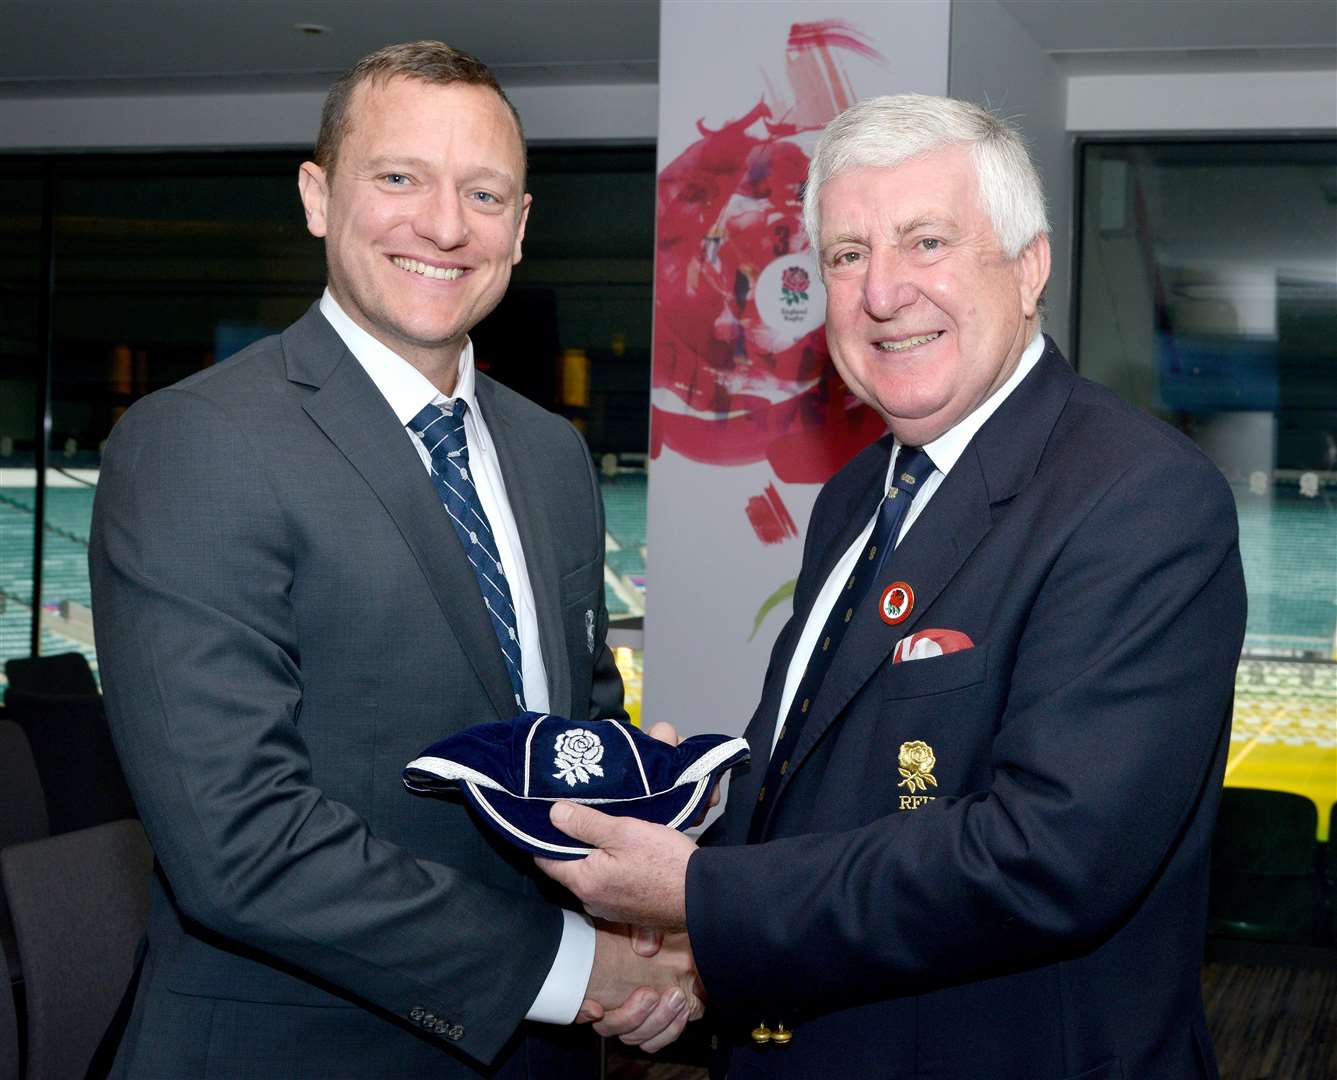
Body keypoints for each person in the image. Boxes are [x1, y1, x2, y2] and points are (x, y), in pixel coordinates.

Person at [540, 94, 1247, 1079]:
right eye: (844, 254)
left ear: (1028, 265)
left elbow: (1048, 858)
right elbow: (833, 775)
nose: (880, 292)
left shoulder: (1140, 498)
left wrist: (702, 896)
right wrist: (692, 810)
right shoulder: (851, 497)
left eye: (925, 242)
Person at [89, 40, 698, 1079]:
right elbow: (237, 845)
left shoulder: (551, 455)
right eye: (399, 178)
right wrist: (575, 967)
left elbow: (569, 727)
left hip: (537, 1049)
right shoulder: (194, 442)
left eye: (483, 192)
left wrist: (648, 832)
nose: (445, 226)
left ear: (519, 227)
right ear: (318, 197)